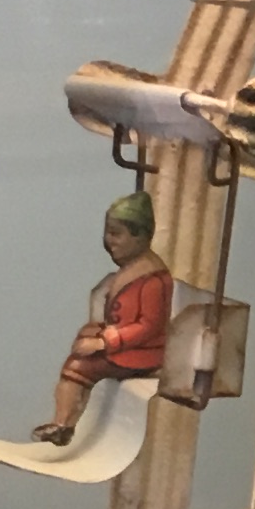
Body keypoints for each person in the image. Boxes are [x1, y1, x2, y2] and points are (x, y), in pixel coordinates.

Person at [39, 190, 175, 443]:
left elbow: (148, 326)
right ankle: (64, 423)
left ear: (139, 236)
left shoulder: (152, 280)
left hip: (143, 352)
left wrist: (104, 342)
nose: (109, 240)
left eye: (116, 233)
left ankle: (63, 425)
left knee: (78, 367)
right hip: (128, 347)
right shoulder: (130, 272)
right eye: (108, 232)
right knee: (80, 354)